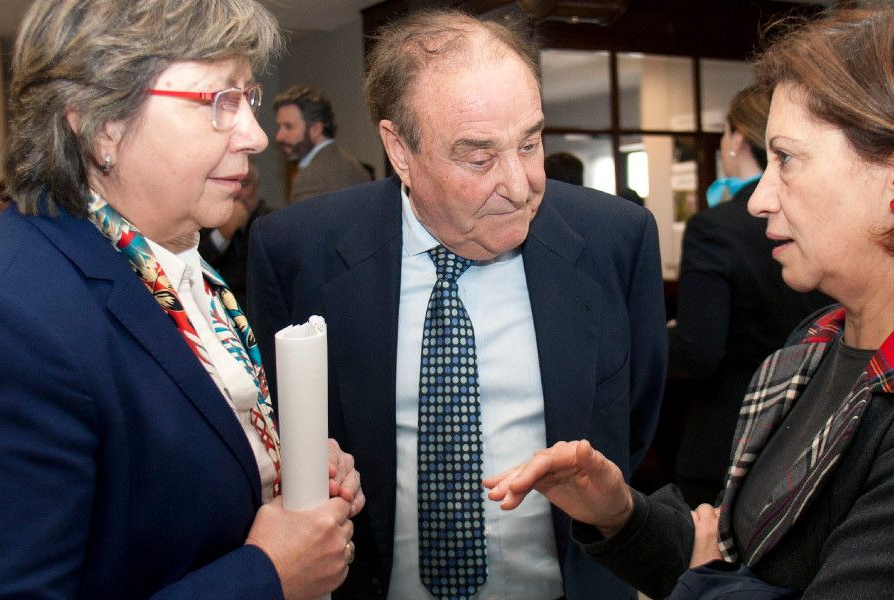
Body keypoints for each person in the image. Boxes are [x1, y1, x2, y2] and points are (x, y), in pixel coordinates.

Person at [486, 1, 894, 598]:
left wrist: (704, 579)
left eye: (786, 159)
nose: (758, 201)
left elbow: (722, 569)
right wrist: (619, 512)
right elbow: (744, 554)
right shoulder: (815, 345)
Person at [248, 9, 666, 600]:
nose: (519, 185)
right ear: (399, 150)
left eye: (530, 142)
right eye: (478, 157)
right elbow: (288, 442)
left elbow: (634, 422)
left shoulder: (614, 241)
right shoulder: (299, 253)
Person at [0, 1, 365, 598]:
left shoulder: (169, 262)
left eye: (246, 98)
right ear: (99, 123)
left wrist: (278, 472)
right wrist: (267, 576)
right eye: (219, 102)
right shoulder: (19, 315)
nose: (255, 134)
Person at [668, 85, 829, 506]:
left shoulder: (716, 227)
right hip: (813, 427)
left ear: (738, 136)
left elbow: (698, 350)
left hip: (731, 433)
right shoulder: (823, 217)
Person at [273, 84, 371, 203]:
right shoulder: (354, 165)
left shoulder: (309, 181)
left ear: (315, 129)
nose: (279, 136)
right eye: (279, 127)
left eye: (288, 126)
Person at [199, 160, 268, 308]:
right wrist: (222, 235)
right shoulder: (209, 220)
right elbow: (199, 261)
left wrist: (224, 273)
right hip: (220, 305)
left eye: (244, 184)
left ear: (255, 186)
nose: (237, 191)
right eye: (231, 183)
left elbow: (258, 273)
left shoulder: (270, 220)